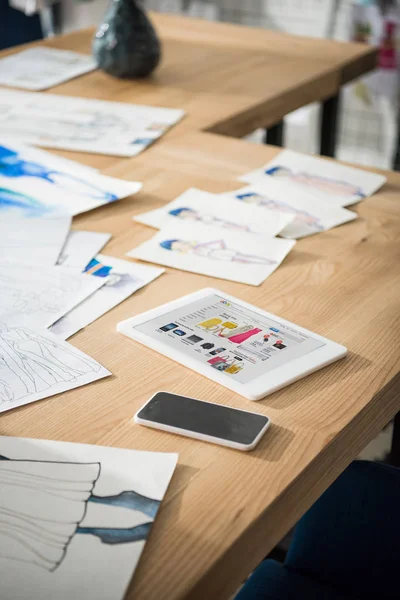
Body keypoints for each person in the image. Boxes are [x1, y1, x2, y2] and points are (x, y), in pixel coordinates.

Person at [159, 239, 276, 265]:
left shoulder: (197, 245)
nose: (181, 246)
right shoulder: (189, 253)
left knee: (244, 256)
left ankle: (268, 261)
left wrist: (222, 246)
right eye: (177, 247)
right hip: (215, 256)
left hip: (217, 251)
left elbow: (214, 242)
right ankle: (264, 262)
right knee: (242, 260)